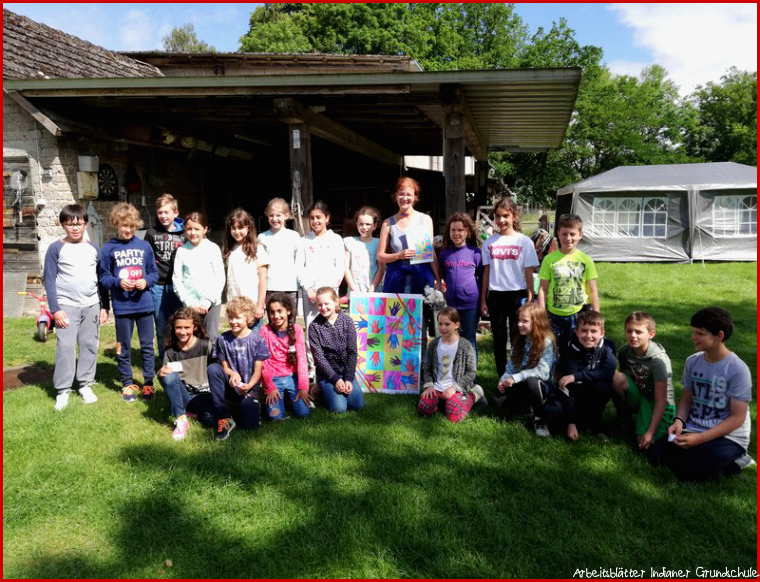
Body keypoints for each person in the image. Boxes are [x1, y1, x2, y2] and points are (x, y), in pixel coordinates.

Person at [650, 307, 754, 480]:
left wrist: (700, 438)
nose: (693, 337)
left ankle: (740, 459)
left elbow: (738, 418)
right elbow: (687, 400)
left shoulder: (737, 369)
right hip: (695, 427)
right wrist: (679, 421)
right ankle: (700, 452)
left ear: (719, 336)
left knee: (689, 470)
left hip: (728, 436)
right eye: (694, 332)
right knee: (656, 455)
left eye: (700, 333)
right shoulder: (693, 361)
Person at [44, 204, 110, 410]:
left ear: (85, 224)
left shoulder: (94, 248)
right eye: (70, 224)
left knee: (89, 344)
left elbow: (101, 279)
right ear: (62, 225)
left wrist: (104, 306)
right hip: (66, 305)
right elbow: (49, 279)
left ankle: (85, 384)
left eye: (78, 224)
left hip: (91, 304)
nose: (74, 228)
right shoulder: (56, 248)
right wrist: (56, 310)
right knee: (65, 347)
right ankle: (63, 390)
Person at [99, 202, 158, 403]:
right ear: (116, 224)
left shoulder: (144, 246)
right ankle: (126, 383)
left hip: (144, 304)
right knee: (123, 346)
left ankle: (149, 383)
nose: (128, 229)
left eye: (132, 226)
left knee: (148, 346)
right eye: (124, 225)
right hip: (122, 306)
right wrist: (118, 282)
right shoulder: (108, 248)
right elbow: (103, 277)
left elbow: (153, 273)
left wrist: (146, 281)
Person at [480, 198, 539, 377]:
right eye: (498, 216)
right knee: (498, 338)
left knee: (518, 337)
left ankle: (517, 375)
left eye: (505, 216)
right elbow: (486, 272)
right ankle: (502, 377)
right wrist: (483, 298)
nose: (501, 220)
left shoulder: (524, 242)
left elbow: (529, 272)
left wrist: (530, 295)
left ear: (514, 216)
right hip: (496, 296)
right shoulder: (488, 243)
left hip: (517, 295)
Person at [545, 309, 616, 441]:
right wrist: (571, 423)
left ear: (602, 333)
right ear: (576, 332)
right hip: (571, 393)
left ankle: (593, 425)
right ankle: (572, 422)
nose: (588, 335)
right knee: (551, 414)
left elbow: (608, 372)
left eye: (593, 331)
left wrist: (576, 376)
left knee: (603, 387)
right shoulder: (570, 350)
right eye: (584, 330)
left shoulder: (608, 347)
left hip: (592, 392)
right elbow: (568, 386)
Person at [207, 296, 270, 441]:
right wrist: (232, 373)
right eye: (230, 317)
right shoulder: (222, 339)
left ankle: (252, 406)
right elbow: (224, 367)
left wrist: (248, 386)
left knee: (249, 425)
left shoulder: (257, 340)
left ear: (248, 318)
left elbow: (258, 371)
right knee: (213, 368)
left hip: (249, 388)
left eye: (237, 318)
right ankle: (223, 416)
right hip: (231, 385)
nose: (233, 321)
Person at [611, 311, 676, 450]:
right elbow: (625, 379)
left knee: (646, 446)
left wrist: (650, 431)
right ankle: (624, 420)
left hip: (657, 402)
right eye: (629, 331)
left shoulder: (658, 361)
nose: (633, 336)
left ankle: (658, 427)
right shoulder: (624, 351)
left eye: (638, 332)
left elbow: (661, 400)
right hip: (639, 395)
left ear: (651, 334)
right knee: (615, 378)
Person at [295, 200, 345, 380]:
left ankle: (333, 366)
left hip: (329, 295)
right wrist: (308, 288)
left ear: (327, 218)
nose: (315, 221)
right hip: (310, 295)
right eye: (312, 218)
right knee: (312, 329)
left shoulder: (336, 239)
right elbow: (299, 267)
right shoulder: (304, 241)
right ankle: (314, 368)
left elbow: (339, 267)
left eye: (319, 217)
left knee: (331, 328)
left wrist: (328, 292)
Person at [537, 213, 599, 351]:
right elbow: (543, 289)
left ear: (580, 235)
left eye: (572, 234)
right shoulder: (549, 259)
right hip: (554, 315)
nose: (568, 238)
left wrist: (597, 315)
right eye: (564, 234)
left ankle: (573, 373)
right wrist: (541, 314)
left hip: (578, 315)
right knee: (554, 353)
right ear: (558, 234)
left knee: (576, 352)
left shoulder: (586, 260)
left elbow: (593, 289)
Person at [496, 303, 557, 437]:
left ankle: (539, 419)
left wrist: (516, 377)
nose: (519, 324)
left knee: (531, 382)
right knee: (502, 397)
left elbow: (543, 372)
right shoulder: (519, 340)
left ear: (537, 323)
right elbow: (511, 367)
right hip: (520, 382)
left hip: (542, 385)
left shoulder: (546, 342)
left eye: (525, 321)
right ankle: (525, 407)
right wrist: (504, 379)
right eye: (519, 320)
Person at [157, 307, 216, 441]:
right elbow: (167, 381)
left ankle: (193, 413)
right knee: (169, 376)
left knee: (210, 421)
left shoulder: (206, 346)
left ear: (194, 327)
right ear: (173, 328)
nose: (182, 332)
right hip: (185, 396)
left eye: (186, 327)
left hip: (205, 394)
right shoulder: (170, 352)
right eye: (178, 328)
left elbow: (217, 371)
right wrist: (161, 373)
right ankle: (181, 418)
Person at [418, 307, 486, 422]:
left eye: (447, 324)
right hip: (437, 387)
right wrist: (429, 385)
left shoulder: (465, 345)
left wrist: (454, 388)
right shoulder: (434, 344)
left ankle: (473, 394)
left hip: (457, 388)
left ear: (456, 325)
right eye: (440, 324)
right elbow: (428, 367)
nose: (442, 328)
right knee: (424, 408)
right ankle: (443, 402)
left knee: (455, 416)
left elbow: (471, 372)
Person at [378, 177, 442, 296]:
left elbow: (430, 252)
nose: (405, 198)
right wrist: (399, 255)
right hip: (396, 278)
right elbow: (381, 256)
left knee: (422, 312)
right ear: (396, 195)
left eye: (409, 195)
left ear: (415, 197)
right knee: (397, 313)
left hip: (421, 276)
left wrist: (438, 279)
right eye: (401, 194)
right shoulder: (388, 223)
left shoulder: (425, 220)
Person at [308, 287, 365, 414]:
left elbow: (352, 352)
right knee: (339, 409)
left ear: (335, 302)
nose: (323, 307)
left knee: (358, 405)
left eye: (326, 303)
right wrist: (335, 379)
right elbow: (319, 358)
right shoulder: (314, 327)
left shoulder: (347, 321)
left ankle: (337, 389)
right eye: (319, 305)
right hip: (327, 374)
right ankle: (321, 388)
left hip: (345, 372)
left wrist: (348, 378)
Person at [144, 193, 186, 361]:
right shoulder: (151, 233)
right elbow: (146, 259)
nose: (163, 216)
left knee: (180, 324)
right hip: (158, 287)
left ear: (175, 213)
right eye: (160, 212)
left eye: (166, 212)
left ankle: (180, 358)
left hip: (179, 286)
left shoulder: (184, 234)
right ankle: (165, 361)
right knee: (162, 327)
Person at [172, 212, 225, 342]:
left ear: (205, 229)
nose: (193, 232)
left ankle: (212, 362)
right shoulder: (182, 251)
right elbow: (177, 278)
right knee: (192, 337)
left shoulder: (213, 249)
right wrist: (188, 302)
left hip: (210, 304)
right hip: (190, 303)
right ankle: (195, 362)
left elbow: (220, 277)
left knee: (210, 336)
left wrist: (207, 301)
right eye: (189, 229)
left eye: (197, 229)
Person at [259, 292, 313, 420]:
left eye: (279, 311)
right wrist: (269, 387)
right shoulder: (264, 331)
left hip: (292, 377)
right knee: (275, 417)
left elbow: (302, 360)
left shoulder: (297, 329)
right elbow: (263, 362)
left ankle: (290, 399)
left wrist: (303, 387)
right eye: (272, 312)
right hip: (273, 379)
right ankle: (276, 400)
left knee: (304, 413)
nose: (276, 316)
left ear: (288, 311)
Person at [439, 212, 483, 359]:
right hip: (452, 304)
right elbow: (445, 276)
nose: (456, 233)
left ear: (468, 232)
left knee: (468, 340)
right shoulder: (445, 254)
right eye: (453, 230)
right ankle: (455, 374)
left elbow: (483, 279)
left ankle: (471, 378)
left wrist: (483, 302)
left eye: (460, 230)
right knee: (452, 340)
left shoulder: (475, 253)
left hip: (471, 304)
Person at [223, 207, 269, 330]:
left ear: (248, 228)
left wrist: (260, 305)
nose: (237, 231)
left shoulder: (258, 249)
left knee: (253, 341)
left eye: (240, 228)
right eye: (233, 228)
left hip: (252, 305)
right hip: (235, 304)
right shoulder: (229, 249)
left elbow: (263, 280)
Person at [259, 197, 301, 321]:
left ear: (286, 215)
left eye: (278, 215)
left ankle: (291, 341)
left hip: (290, 286)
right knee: (274, 320)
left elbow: (298, 260)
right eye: (271, 215)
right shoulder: (262, 237)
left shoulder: (294, 236)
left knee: (290, 320)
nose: (275, 219)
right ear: (267, 216)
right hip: (270, 286)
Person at [344, 206, 385, 299]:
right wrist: (354, 289)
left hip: (373, 292)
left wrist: (372, 288)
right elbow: (345, 267)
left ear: (375, 225)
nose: (364, 227)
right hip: (354, 293)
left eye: (368, 224)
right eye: (361, 224)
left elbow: (381, 268)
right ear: (356, 224)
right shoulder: (349, 242)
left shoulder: (378, 243)